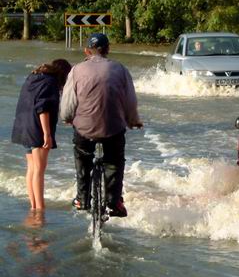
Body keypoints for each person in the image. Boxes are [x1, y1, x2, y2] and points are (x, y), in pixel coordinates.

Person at [61, 33, 143, 217]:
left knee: (82, 157)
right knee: (114, 160)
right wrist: (133, 121)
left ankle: (82, 198)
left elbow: (68, 102)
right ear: (108, 50)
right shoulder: (120, 69)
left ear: (86, 51)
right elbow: (130, 101)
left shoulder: (76, 70)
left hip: (84, 128)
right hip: (113, 128)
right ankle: (114, 202)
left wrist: (67, 117)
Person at [11, 59, 72, 211]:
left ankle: (34, 206)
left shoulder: (34, 77)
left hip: (23, 125)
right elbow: (42, 108)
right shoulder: (50, 82)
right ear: (63, 74)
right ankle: (39, 209)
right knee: (39, 169)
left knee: (31, 169)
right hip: (36, 128)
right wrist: (47, 134)